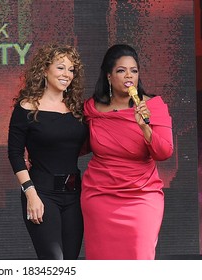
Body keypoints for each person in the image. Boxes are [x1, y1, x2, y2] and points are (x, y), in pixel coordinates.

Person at [81, 44, 173, 260]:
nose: (129, 75)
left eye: (134, 70)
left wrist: (144, 127)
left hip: (142, 196)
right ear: (109, 76)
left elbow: (164, 152)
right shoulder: (92, 109)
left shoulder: (154, 106)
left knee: (139, 259)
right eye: (121, 71)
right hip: (99, 196)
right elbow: (75, 144)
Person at [7, 44, 88, 259]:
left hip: (75, 196)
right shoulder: (26, 107)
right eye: (61, 68)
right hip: (41, 193)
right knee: (54, 263)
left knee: (70, 264)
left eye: (71, 70)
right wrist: (30, 194)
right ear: (44, 70)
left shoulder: (78, 109)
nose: (67, 75)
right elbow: (15, 154)